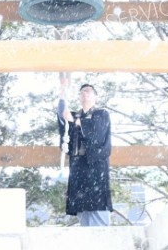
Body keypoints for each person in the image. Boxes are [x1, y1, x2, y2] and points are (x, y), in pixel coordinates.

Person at [57, 78, 113, 226]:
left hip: (95, 167)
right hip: (78, 168)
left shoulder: (102, 114)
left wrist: (77, 122)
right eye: (82, 92)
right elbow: (62, 115)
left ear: (96, 97)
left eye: (88, 91)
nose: (84, 94)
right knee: (83, 214)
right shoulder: (75, 116)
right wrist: (63, 91)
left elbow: (98, 132)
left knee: (98, 208)